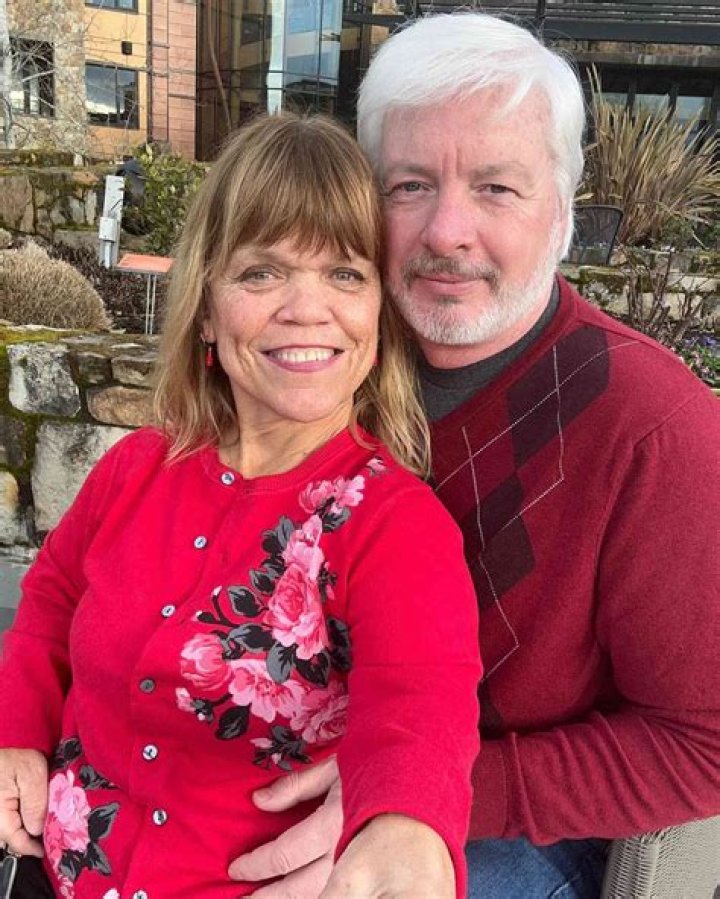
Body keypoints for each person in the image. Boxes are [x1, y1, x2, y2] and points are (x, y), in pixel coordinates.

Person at [227, 13, 720, 899]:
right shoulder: (310, 367)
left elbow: (704, 742)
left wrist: (418, 795)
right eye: (410, 185)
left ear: (563, 210)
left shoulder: (652, 426)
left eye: (496, 187)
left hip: (506, 814)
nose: (447, 230)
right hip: (263, 762)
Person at [0, 113, 482, 898]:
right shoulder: (134, 469)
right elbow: (52, 599)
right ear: (207, 308)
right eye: (262, 273)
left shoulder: (394, 523)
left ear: (380, 314)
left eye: (345, 273)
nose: (307, 307)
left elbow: (421, 706)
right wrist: (15, 732)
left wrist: (407, 828)